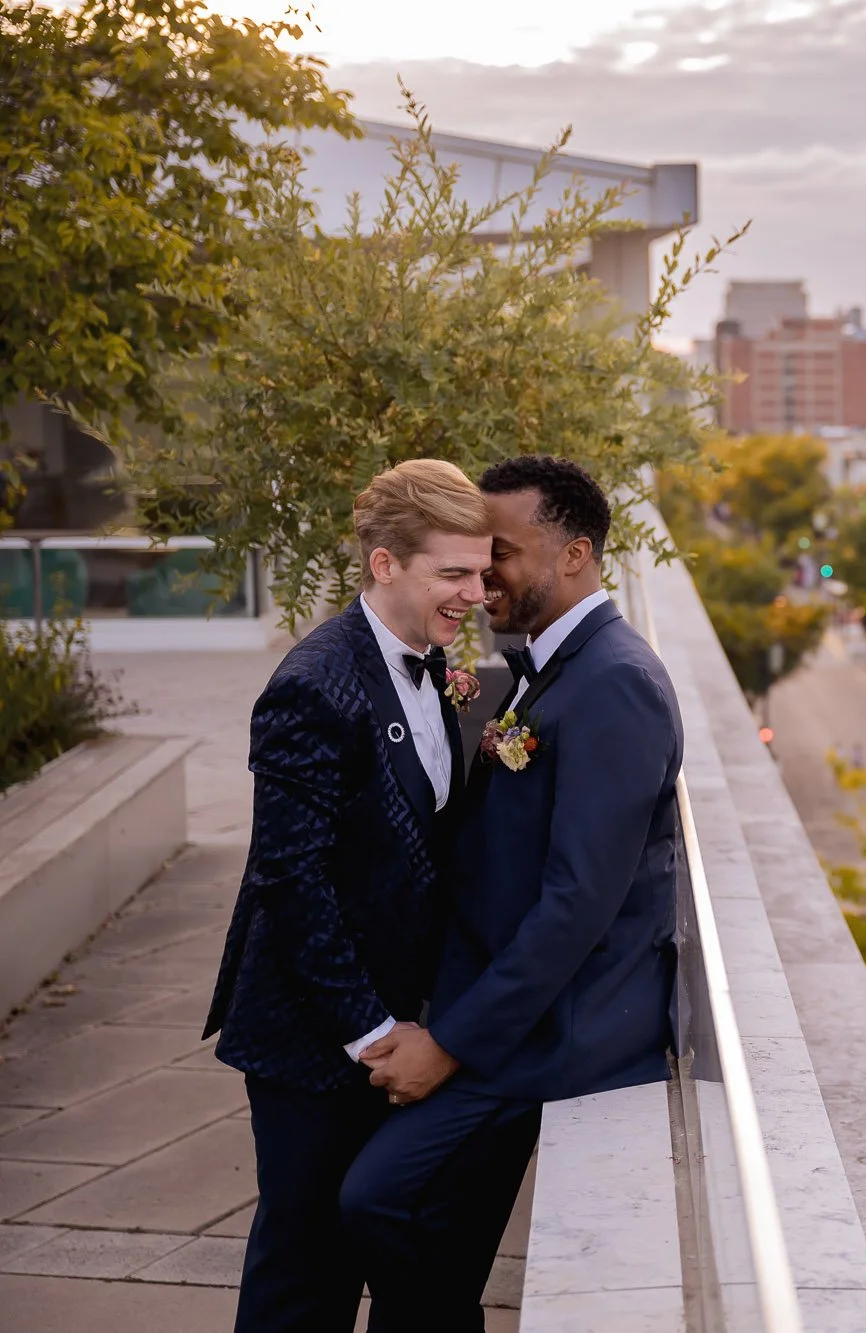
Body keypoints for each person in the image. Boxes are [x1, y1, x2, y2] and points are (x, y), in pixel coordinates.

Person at [341, 457, 686, 1330]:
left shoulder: (615, 683)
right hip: (497, 1004)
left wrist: (449, 1044)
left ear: (574, 555)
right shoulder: (550, 666)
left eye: (503, 551)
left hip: (556, 1034)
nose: (485, 570)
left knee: (377, 1196)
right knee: (438, 1242)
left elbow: (578, 904)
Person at [204, 461, 492, 1333]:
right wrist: (375, 1035)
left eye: (481, 571)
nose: (477, 592)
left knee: (391, 1253)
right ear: (384, 566)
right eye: (455, 573)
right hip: (313, 1039)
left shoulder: (433, 665)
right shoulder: (313, 684)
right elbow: (292, 883)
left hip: (402, 1024)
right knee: (305, 1274)